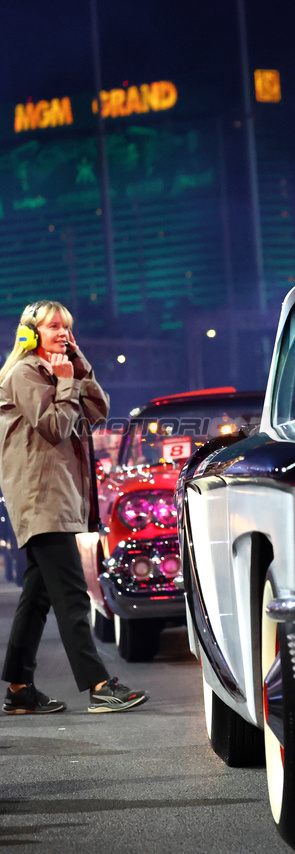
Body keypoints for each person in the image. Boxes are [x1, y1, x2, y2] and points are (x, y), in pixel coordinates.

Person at [0, 301, 147, 715]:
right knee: (71, 597)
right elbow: (56, 426)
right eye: (52, 326)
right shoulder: (23, 374)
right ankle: (99, 685)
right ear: (31, 333)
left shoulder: (59, 371)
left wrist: (78, 366)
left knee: (38, 596)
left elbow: (98, 411)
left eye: (67, 326)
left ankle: (18, 688)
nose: (62, 333)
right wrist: (66, 384)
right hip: (41, 499)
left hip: (60, 499)